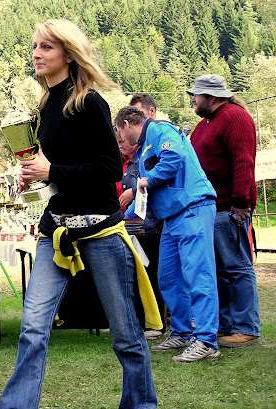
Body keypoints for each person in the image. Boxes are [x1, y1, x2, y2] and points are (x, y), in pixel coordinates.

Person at [0, 19, 160, 409]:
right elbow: (54, 174)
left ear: (68, 54)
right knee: (32, 329)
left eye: (46, 47)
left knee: (125, 334)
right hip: (55, 233)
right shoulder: (43, 107)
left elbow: (110, 170)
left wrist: (51, 170)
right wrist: (34, 180)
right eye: (34, 46)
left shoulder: (90, 103)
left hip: (101, 232)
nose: (37, 53)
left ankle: (141, 405)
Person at [115, 106, 221, 363]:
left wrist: (146, 180)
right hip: (171, 218)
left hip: (192, 208)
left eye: (119, 131)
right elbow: (144, 197)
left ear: (127, 124)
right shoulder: (144, 148)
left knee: (198, 273)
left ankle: (206, 340)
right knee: (169, 277)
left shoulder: (160, 129)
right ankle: (182, 332)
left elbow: (173, 158)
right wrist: (119, 219)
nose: (120, 138)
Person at [187, 74, 260, 347]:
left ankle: (246, 327)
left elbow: (243, 160)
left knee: (238, 268)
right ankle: (225, 324)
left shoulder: (234, 117)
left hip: (230, 207)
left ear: (211, 96)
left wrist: (241, 202)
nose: (193, 100)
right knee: (218, 270)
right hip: (210, 208)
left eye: (196, 95)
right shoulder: (203, 125)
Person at [115, 128, 165, 340]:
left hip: (147, 226)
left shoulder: (143, 158)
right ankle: (133, 322)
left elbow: (154, 182)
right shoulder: (118, 162)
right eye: (117, 142)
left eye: (123, 141)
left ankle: (156, 323)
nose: (120, 145)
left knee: (151, 274)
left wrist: (134, 191)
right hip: (125, 226)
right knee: (130, 276)